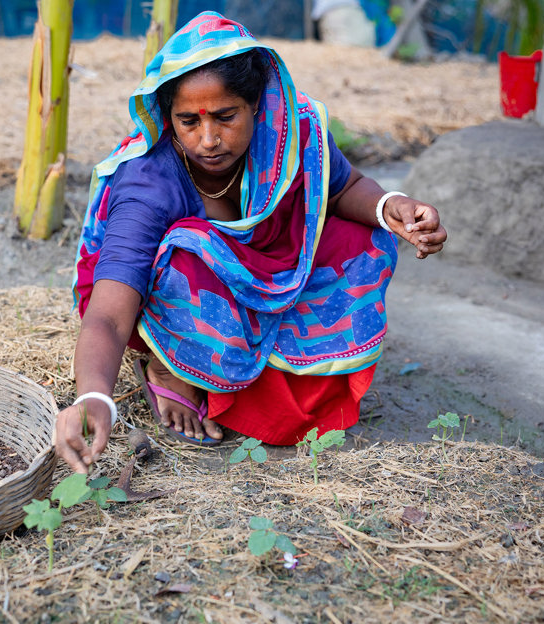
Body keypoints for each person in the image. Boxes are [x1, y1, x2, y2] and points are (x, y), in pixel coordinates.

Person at [55, 11, 446, 473]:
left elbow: (340, 188)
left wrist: (391, 207)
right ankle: (172, 367)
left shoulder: (289, 135)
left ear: (257, 105)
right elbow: (108, 314)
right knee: (189, 250)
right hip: (176, 292)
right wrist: (95, 396)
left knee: (360, 240)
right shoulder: (148, 182)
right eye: (188, 122)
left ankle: (251, 374)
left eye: (225, 116)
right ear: (168, 118)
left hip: (264, 277)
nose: (208, 140)